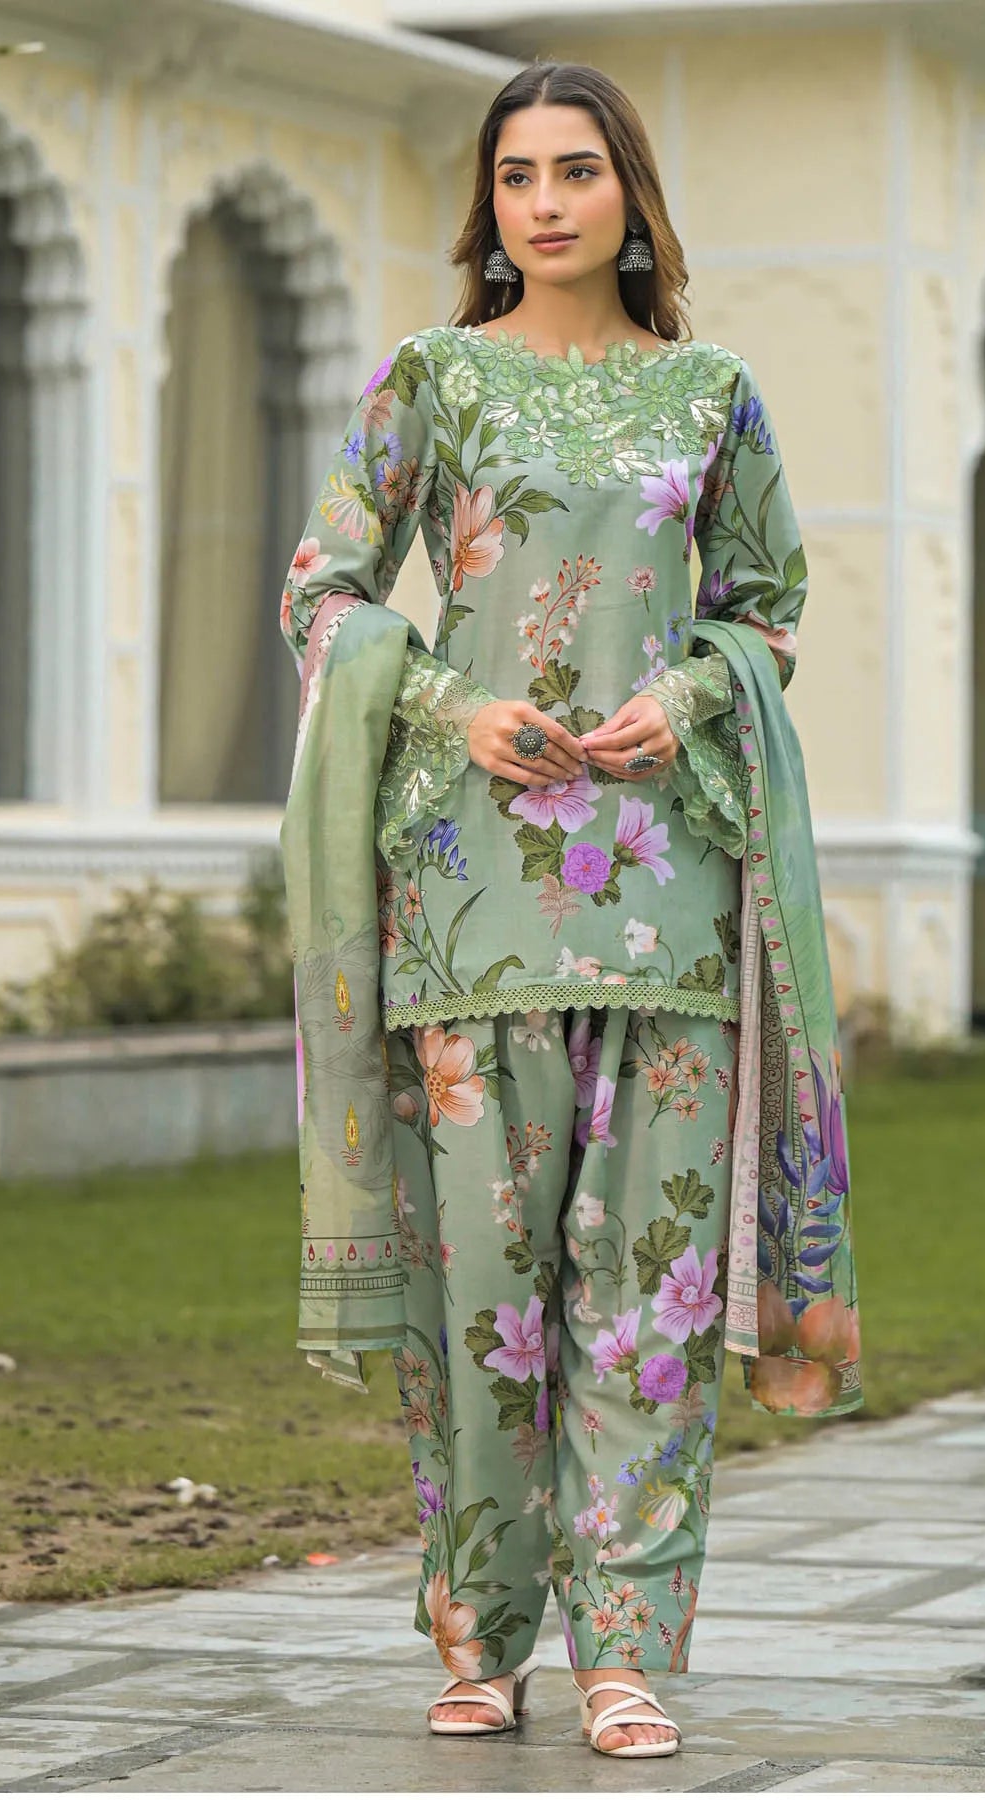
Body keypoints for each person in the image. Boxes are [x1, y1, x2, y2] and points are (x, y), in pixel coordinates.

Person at [278, 59, 861, 1761]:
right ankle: (482, 1631)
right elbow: (326, 588)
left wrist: (684, 703)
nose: (546, 200)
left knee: (650, 1287)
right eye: (518, 173)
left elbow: (767, 610)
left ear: (630, 194)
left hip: (671, 905)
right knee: (489, 1298)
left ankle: (626, 1650)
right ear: (491, 203)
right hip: (466, 904)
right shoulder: (433, 380)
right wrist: (451, 705)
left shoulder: (711, 393)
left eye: (578, 170)